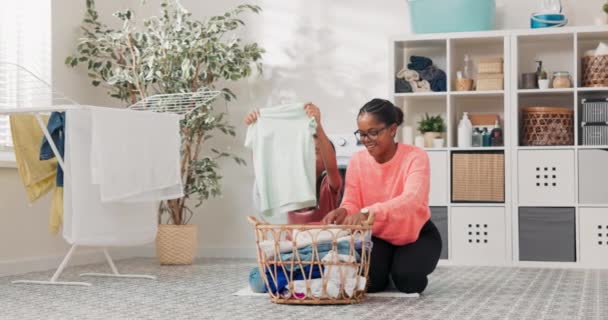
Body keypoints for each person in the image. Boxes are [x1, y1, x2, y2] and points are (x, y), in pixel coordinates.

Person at [321, 98, 442, 294]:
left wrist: (368, 211)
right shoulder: (358, 161)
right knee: (371, 284)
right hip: (379, 236)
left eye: (373, 132)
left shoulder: (415, 156)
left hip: (417, 235)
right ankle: (388, 268)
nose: (366, 139)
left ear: (393, 129)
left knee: (409, 282)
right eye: (362, 134)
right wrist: (343, 211)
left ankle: (399, 268)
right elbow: (352, 201)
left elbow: (412, 199)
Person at [244, 102, 342, 224]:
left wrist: (318, 126)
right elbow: (262, 165)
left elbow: (331, 167)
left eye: (316, 151)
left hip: (324, 241)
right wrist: (256, 128)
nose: (309, 155)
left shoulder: (328, 186)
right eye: (307, 150)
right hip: (294, 242)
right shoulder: (289, 182)